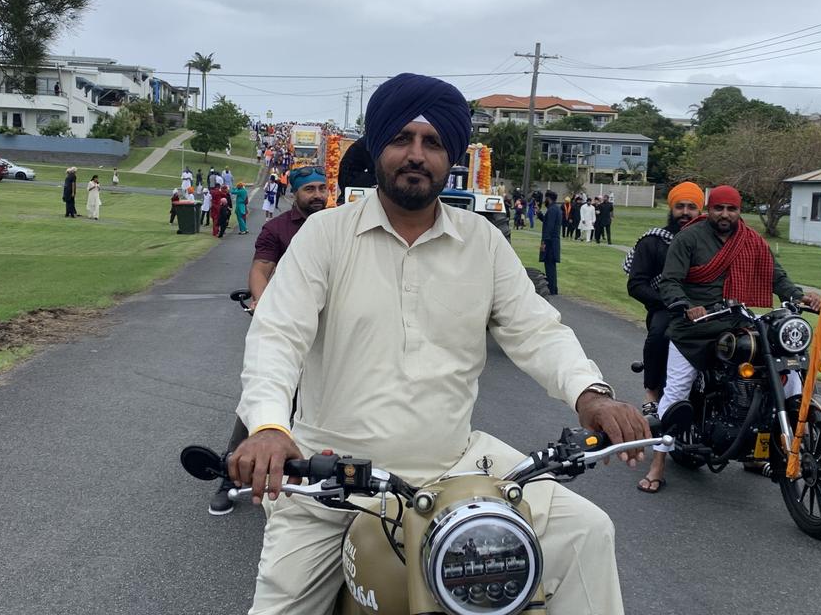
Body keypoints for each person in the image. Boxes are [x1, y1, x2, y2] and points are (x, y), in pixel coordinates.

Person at [228, 75, 646, 614]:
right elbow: (278, 335)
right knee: (279, 606)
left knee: (588, 531)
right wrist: (266, 425)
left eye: (433, 143)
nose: (416, 155)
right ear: (378, 147)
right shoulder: (325, 235)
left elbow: (536, 330)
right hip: (331, 474)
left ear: (450, 156)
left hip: (456, 465)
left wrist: (592, 394)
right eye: (402, 139)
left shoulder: (482, 241)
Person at [642, 185, 821, 494]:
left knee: (785, 372)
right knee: (677, 390)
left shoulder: (751, 240)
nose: (725, 215)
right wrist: (685, 306)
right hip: (693, 327)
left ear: (740, 212)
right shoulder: (689, 238)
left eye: (732, 209)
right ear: (709, 210)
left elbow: (776, 277)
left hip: (736, 320)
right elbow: (670, 281)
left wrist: (798, 295)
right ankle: (657, 463)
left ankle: (764, 447)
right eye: (719, 209)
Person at [207, 166, 329, 516]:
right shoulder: (277, 229)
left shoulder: (340, 227)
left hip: (330, 333)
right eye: (310, 190)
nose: (318, 195)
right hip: (290, 328)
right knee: (266, 399)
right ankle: (230, 476)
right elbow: (261, 269)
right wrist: (264, 307)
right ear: (294, 193)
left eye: (322, 188)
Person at [621, 182, 704, 492]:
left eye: (691, 207)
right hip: (666, 308)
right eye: (680, 206)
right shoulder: (654, 242)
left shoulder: (708, 240)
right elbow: (636, 283)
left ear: (700, 209)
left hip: (707, 312)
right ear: (671, 208)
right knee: (659, 335)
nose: (685, 213)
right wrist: (668, 302)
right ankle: (652, 395)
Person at [539, 190, 562, 296]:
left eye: (546, 199)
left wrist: (544, 242)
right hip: (553, 241)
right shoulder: (555, 209)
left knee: (549, 266)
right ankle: (553, 288)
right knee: (551, 266)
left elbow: (549, 227)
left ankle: (551, 289)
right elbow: (548, 221)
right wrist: (540, 215)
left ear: (549, 198)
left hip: (550, 242)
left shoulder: (552, 210)